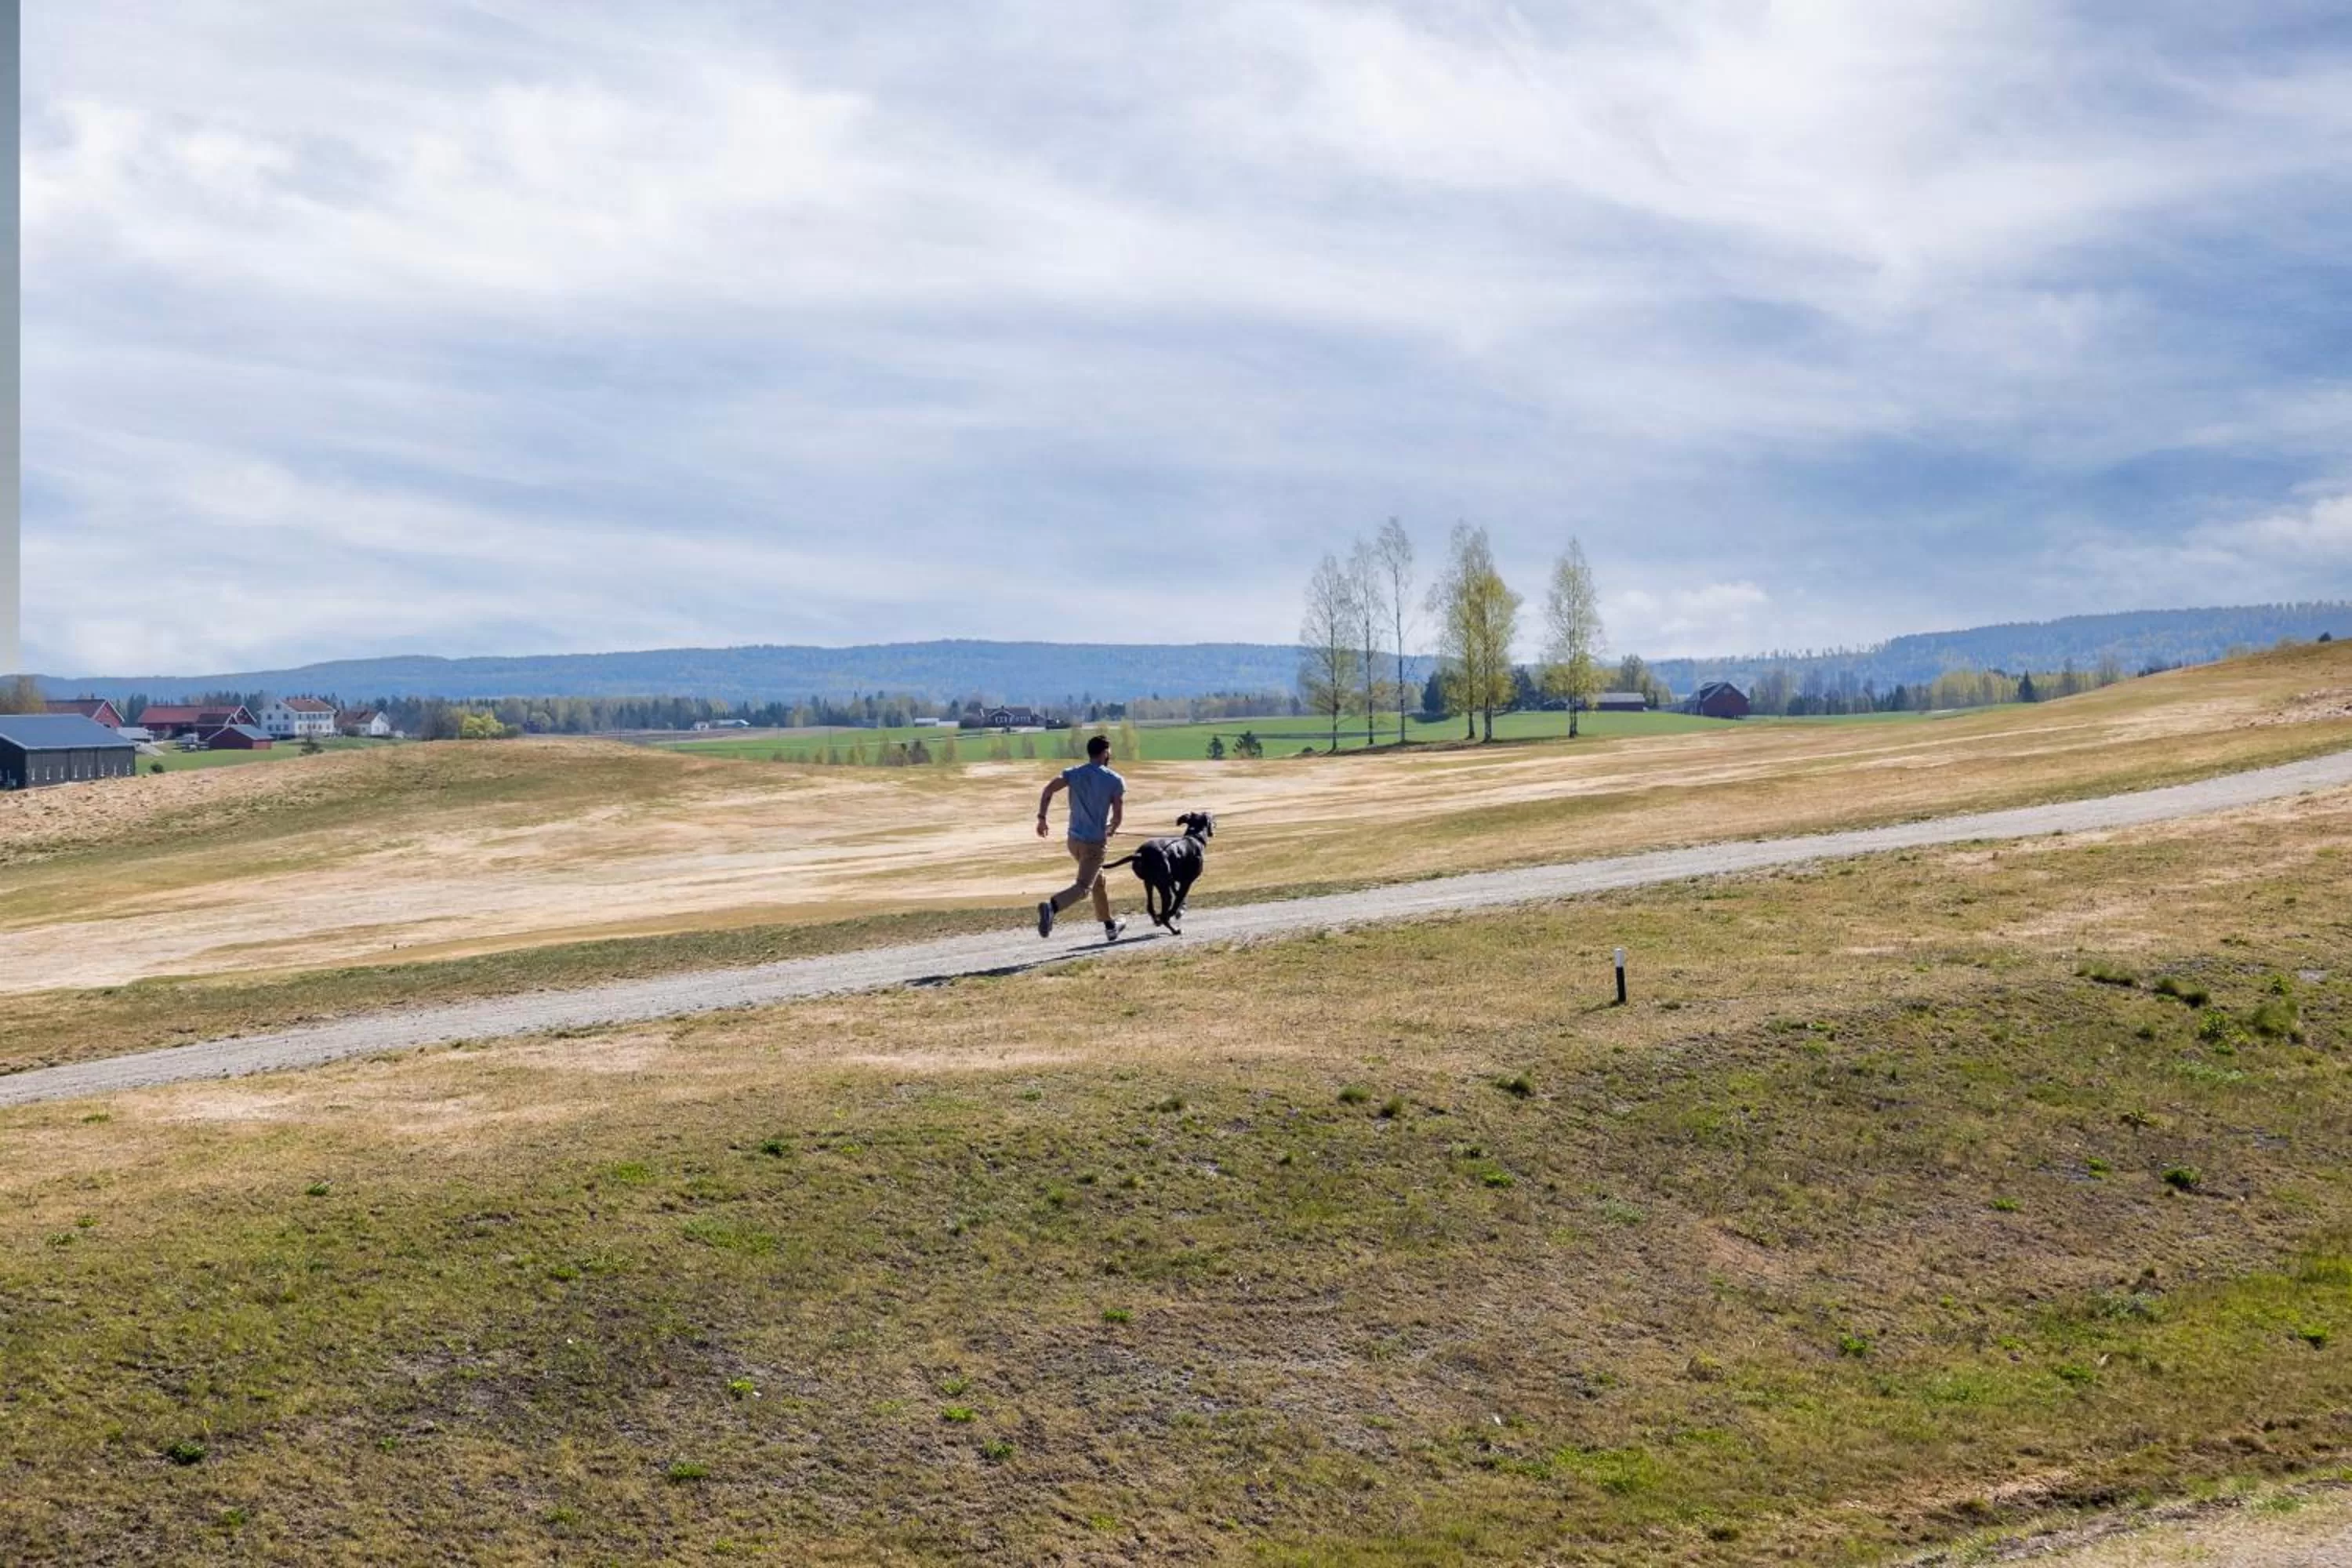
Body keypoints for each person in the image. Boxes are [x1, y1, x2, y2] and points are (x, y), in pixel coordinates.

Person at [1036, 735, 1127, 941]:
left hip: (1073, 841)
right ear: (1105, 753)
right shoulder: (1114, 780)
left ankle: (1110, 925)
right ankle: (1052, 907)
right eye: (1109, 752)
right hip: (1094, 844)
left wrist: (1042, 819)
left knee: (1098, 880)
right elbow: (1118, 815)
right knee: (1084, 887)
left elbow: (1048, 790)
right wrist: (1111, 828)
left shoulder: (1073, 773)